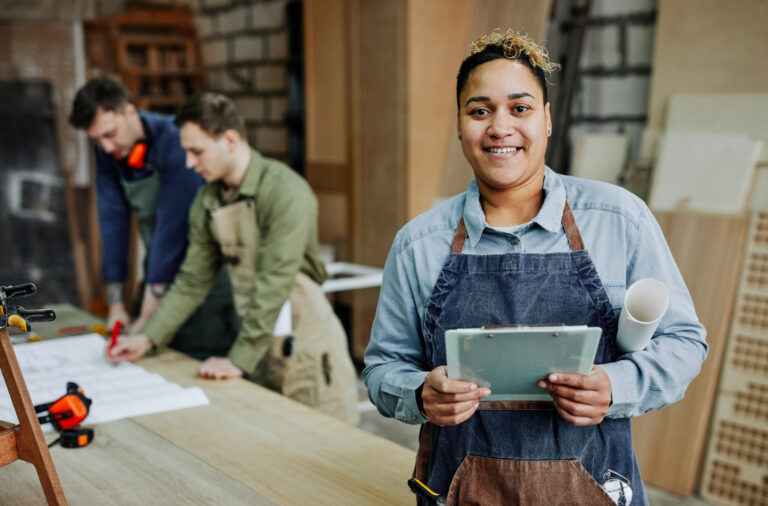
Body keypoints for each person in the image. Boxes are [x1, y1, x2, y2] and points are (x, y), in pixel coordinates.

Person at [363, 29, 707, 504]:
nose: (500, 127)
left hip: (595, 486)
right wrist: (420, 392)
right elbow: (383, 366)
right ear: (459, 125)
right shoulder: (418, 244)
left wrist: (616, 386)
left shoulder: (619, 220)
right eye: (479, 110)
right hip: (461, 492)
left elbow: (685, 342)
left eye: (520, 108)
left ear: (546, 121)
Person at [109, 92, 359, 425]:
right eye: (185, 152)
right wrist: (148, 337)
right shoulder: (207, 199)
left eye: (196, 151)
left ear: (229, 139)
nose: (189, 163)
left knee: (322, 449)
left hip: (306, 348)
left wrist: (238, 359)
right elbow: (192, 280)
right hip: (256, 342)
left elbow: (274, 282)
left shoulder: (285, 190)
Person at [69, 77, 237, 360]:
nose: (106, 147)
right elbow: (113, 222)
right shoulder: (109, 152)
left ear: (130, 112)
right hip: (158, 274)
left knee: (191, 360)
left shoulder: (175, 140)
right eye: (97, 140)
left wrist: (145, 321)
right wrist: (117, 307)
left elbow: (171, 233)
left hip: (204, 279)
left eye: (110, 134)